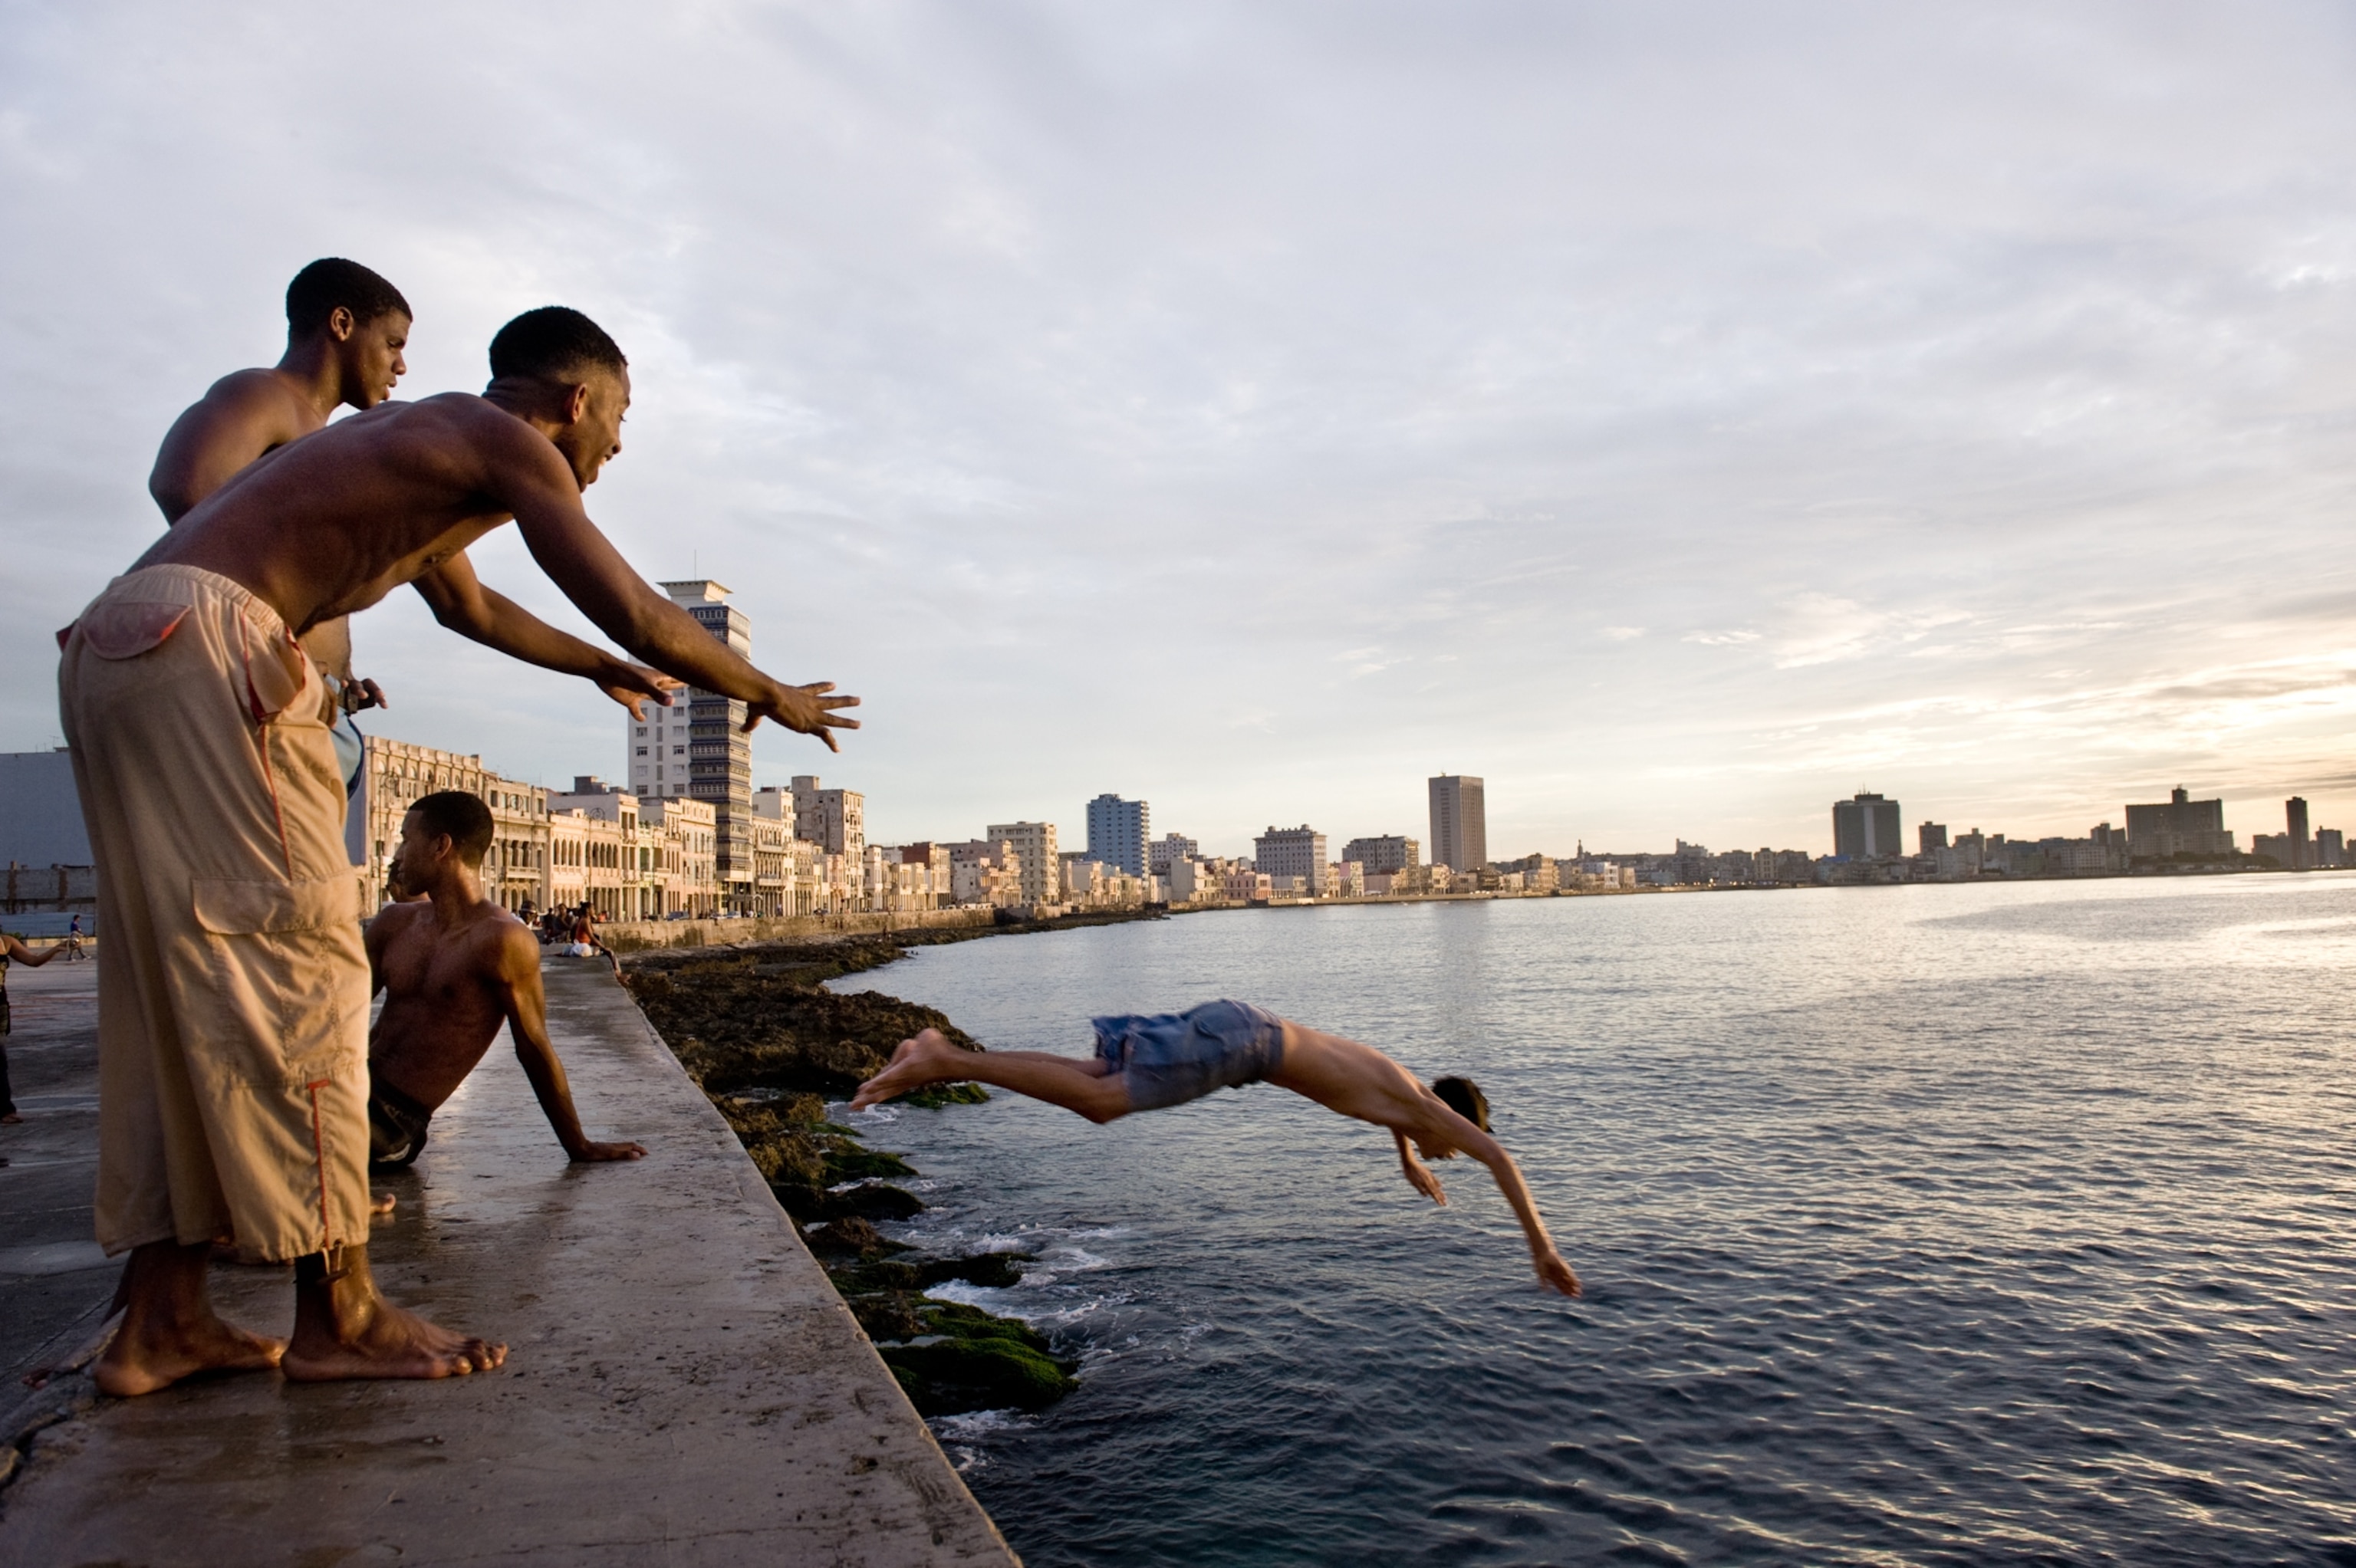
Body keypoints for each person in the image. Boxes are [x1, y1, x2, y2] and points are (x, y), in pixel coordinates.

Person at [59, 303, 857, 1396]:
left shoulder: (414, 455)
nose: (616, 446)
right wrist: (772, 692)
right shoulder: (509, 443)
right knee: (306, 974)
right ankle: (340, 1315)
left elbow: (474, 610)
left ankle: (162, 1319)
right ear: (574, 401)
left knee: (181, 983)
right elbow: (629, 599)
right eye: (617, 419)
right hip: (215, 645)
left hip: (119, 646)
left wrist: (589, 669)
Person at [147, 260, 679, 814]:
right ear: (341, 324)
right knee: (274, 894)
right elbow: (184, 486)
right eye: (393, 343)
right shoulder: (264, 396)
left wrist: (597, 664)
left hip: (322, 707)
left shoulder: (343, 454)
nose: (402, 365)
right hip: (261, 693)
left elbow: (470, 605)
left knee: (294, 892)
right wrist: (280, 648)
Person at [852, 1001, 1582, 1297]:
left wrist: (1407, 1157)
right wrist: (1540, 1247)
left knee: (1101, 1080)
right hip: (1243, 1046)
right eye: (1442, 1147)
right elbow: (1500, 1159)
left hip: (1242, 1030)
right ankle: (945, 1059)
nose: (1444, 1151)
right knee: (1104, 1103)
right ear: (1451, 1119)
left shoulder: (1406, 1094)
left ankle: (941, 1053)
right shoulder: (1421, 1105)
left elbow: (1405, 1113)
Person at [364, 792, 645, 1170]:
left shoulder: (501, 941)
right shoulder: (394, 924)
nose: (398, 854)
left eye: (405, 840)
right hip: (347, 1088)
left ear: (440, 846)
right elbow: (331, 1015)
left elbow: (533, 1046)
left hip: (394, 1120)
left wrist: (579, 1145)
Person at [1, 930, 69, 1127]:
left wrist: (56, 949)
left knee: (0, 1059)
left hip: (0, 1008)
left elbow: (34, 961)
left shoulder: (6, 942)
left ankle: (6, 1110)